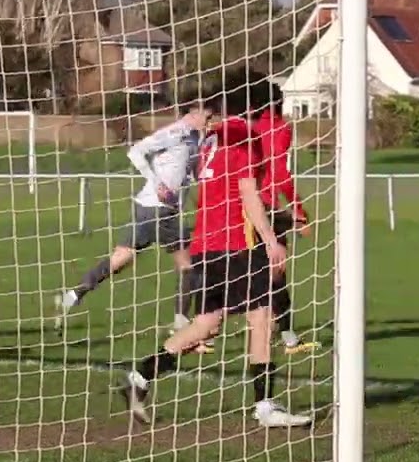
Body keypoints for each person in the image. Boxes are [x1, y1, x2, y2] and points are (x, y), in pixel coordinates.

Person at [121, 89, 312, 428]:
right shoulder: (242, 137)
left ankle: (140, 376)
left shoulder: (209, 141)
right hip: (235, 243)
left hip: (204, 244)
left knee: (207, 323)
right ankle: (265, 406)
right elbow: (248, 193)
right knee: (262, 318)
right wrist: (271, 239)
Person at [54, 101, 213, 333]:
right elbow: (136, 151)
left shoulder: (194, 137)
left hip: (146, 207)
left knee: (121, 258)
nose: (209, 123)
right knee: (187, 264)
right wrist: (157, 183)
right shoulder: (174, 132)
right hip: (159, 209)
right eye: (207, 118)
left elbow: (187, 172)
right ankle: (181, 321)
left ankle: (72, 296)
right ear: (193, 113)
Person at [251, 81, 317, 355]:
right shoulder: (278, 128)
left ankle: (200, 330)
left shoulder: (241, 126)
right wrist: (299, 212)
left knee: (241, 272)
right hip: (265, 208)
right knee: (275, 276)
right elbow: (280, 173)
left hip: (235, 208)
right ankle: (288, 338)